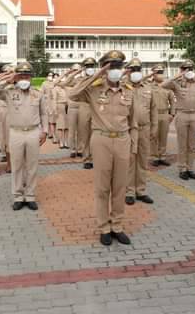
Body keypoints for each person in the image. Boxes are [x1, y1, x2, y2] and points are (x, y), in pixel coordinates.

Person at [70, 50, 137, 246]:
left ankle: (117, 225)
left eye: (118, 66)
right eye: (111, 66)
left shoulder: (129, 90)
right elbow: (72, 94)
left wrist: (132, 143)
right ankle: (104, 227)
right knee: (102, 187)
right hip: (101, 140)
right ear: (104, 68)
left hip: (123, 140)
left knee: (119, 187)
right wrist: (97, 76)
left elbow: (133, 121)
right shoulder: (94, 89)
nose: (115, 70)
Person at [0, 61, 47, 211]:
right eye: (21, 75)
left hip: (33, 132)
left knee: (32, 166)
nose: (24, 79)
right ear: (17, 77)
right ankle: (18, 196)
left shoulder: (37, 93)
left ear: (31, 78)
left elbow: (43, 113)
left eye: (27, 76)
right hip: (16, 132)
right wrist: (8, 80)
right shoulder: (9, 91)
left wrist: (45, 131)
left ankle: (30, 195)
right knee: (17, 165)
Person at [162, 60, 195, 180]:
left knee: (191, 145)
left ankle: (190, 168)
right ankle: (182, 168)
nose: (188, 71)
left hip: (194, 115)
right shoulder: (177, 83)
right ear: (182, 70)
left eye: (190, 69)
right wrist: (179, 75)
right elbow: (164, 85)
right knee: (182, 144)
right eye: (185, 69)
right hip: (182, 115)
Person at [125, 58, 156, 205]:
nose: (136, 72)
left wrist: (154, 127)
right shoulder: (123, 87)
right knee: (130, 161)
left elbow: (154, 109)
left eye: (138, 69)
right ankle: (129, 191)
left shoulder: (148, 87)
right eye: (133, 70)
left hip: (145, 128)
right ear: (128, 71)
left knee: (143, 160)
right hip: (129, 130)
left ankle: (141, 190)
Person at [150, 64, 176, 168]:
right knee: (153, 137)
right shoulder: (149, 86)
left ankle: (163, 157)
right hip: (153, 115)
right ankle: (155, 157)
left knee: (163, 136)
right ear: (153, 74)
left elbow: (172, 101)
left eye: (161, 72)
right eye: (158, 72)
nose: (160, 75)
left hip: (165, 114)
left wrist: (172, 114)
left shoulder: (167, 86)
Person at [52, 77, 69, 148]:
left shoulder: (67, 88)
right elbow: (54, 99)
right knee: (61, 126)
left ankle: (66, 141)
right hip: (60, 106)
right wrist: (55, 109)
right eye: (61, 81)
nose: (63, 83)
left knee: (67, 126)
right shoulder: (56, 89)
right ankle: (61, 141)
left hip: (68, 107)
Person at [41, 72, 57, 139]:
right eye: (49, 75)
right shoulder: (44, 83)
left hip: (54, 103)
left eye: (51, 75)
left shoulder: (55, 83)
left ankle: (52, 133)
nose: (50, 77)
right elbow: (41, 93)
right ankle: (52, 134)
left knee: (53, 120)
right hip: (47, 103)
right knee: (49, 119)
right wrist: (46, 96)